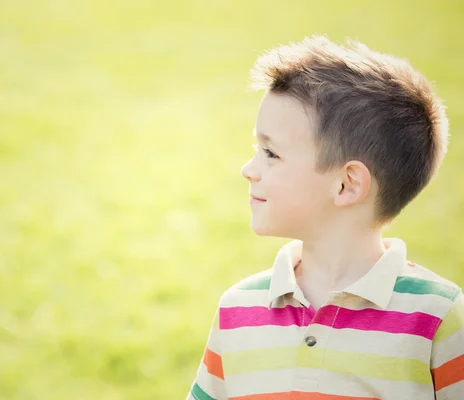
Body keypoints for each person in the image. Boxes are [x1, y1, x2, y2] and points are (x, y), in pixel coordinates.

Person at [186, 35, 464, 400]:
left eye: (271, 153)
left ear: (347, 185)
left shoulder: (438, 318)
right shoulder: (238, 310)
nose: (248, 169)